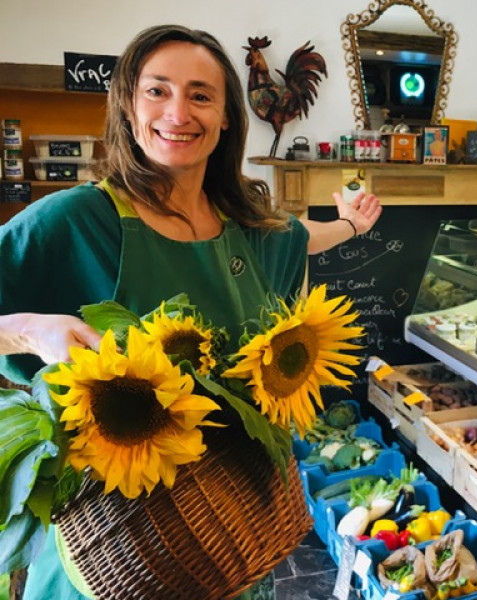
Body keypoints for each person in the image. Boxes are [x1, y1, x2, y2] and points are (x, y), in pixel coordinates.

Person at [0, 24, 381, 600]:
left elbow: (303, 235)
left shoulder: (254, 229)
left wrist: (352, 224)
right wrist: (29, 330)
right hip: (113, 562)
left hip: (232, 552)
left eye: (201, 95)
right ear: (128, 106)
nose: (178, 112)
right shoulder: (73, 222)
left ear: (227, 116)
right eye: (157, 91)